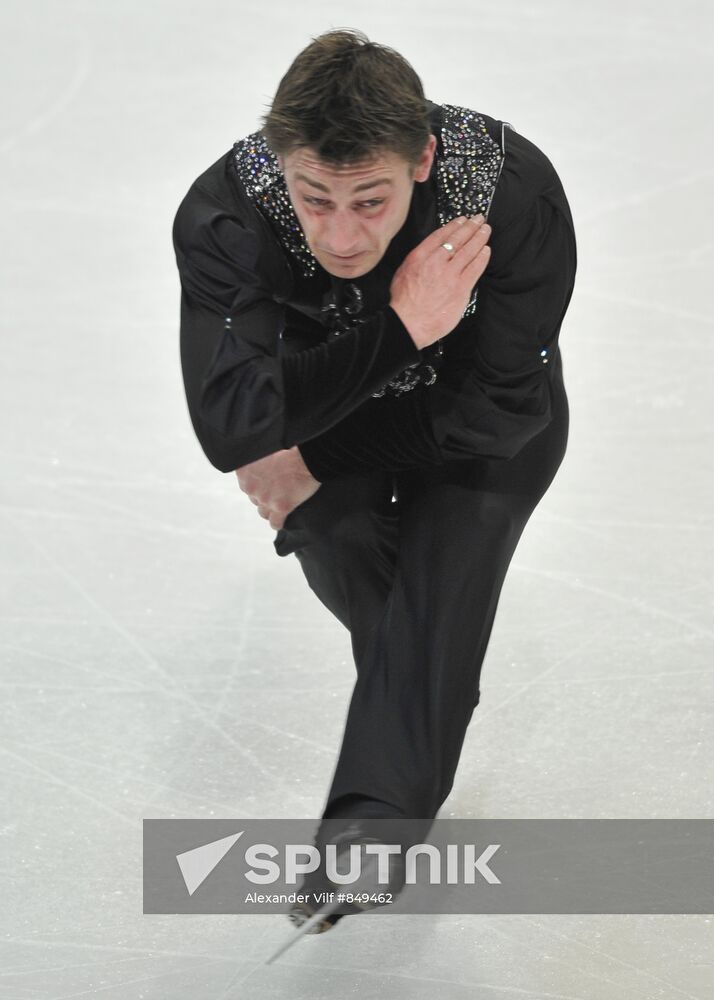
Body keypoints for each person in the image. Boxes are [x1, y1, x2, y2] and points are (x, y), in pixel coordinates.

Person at [172, 28, 577, 932]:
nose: (341, 233)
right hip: (340, 409)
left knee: (438, 588)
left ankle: (364, 839)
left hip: (478, 425)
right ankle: (426, 688)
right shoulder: (228, 213)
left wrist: (308, 455)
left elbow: (504, 412)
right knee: (382, 588)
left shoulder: (508, 195)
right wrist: (398, 331)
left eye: (370, 199)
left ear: (422, 158)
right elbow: (231, 423)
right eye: (315, 199)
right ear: (282, 168)